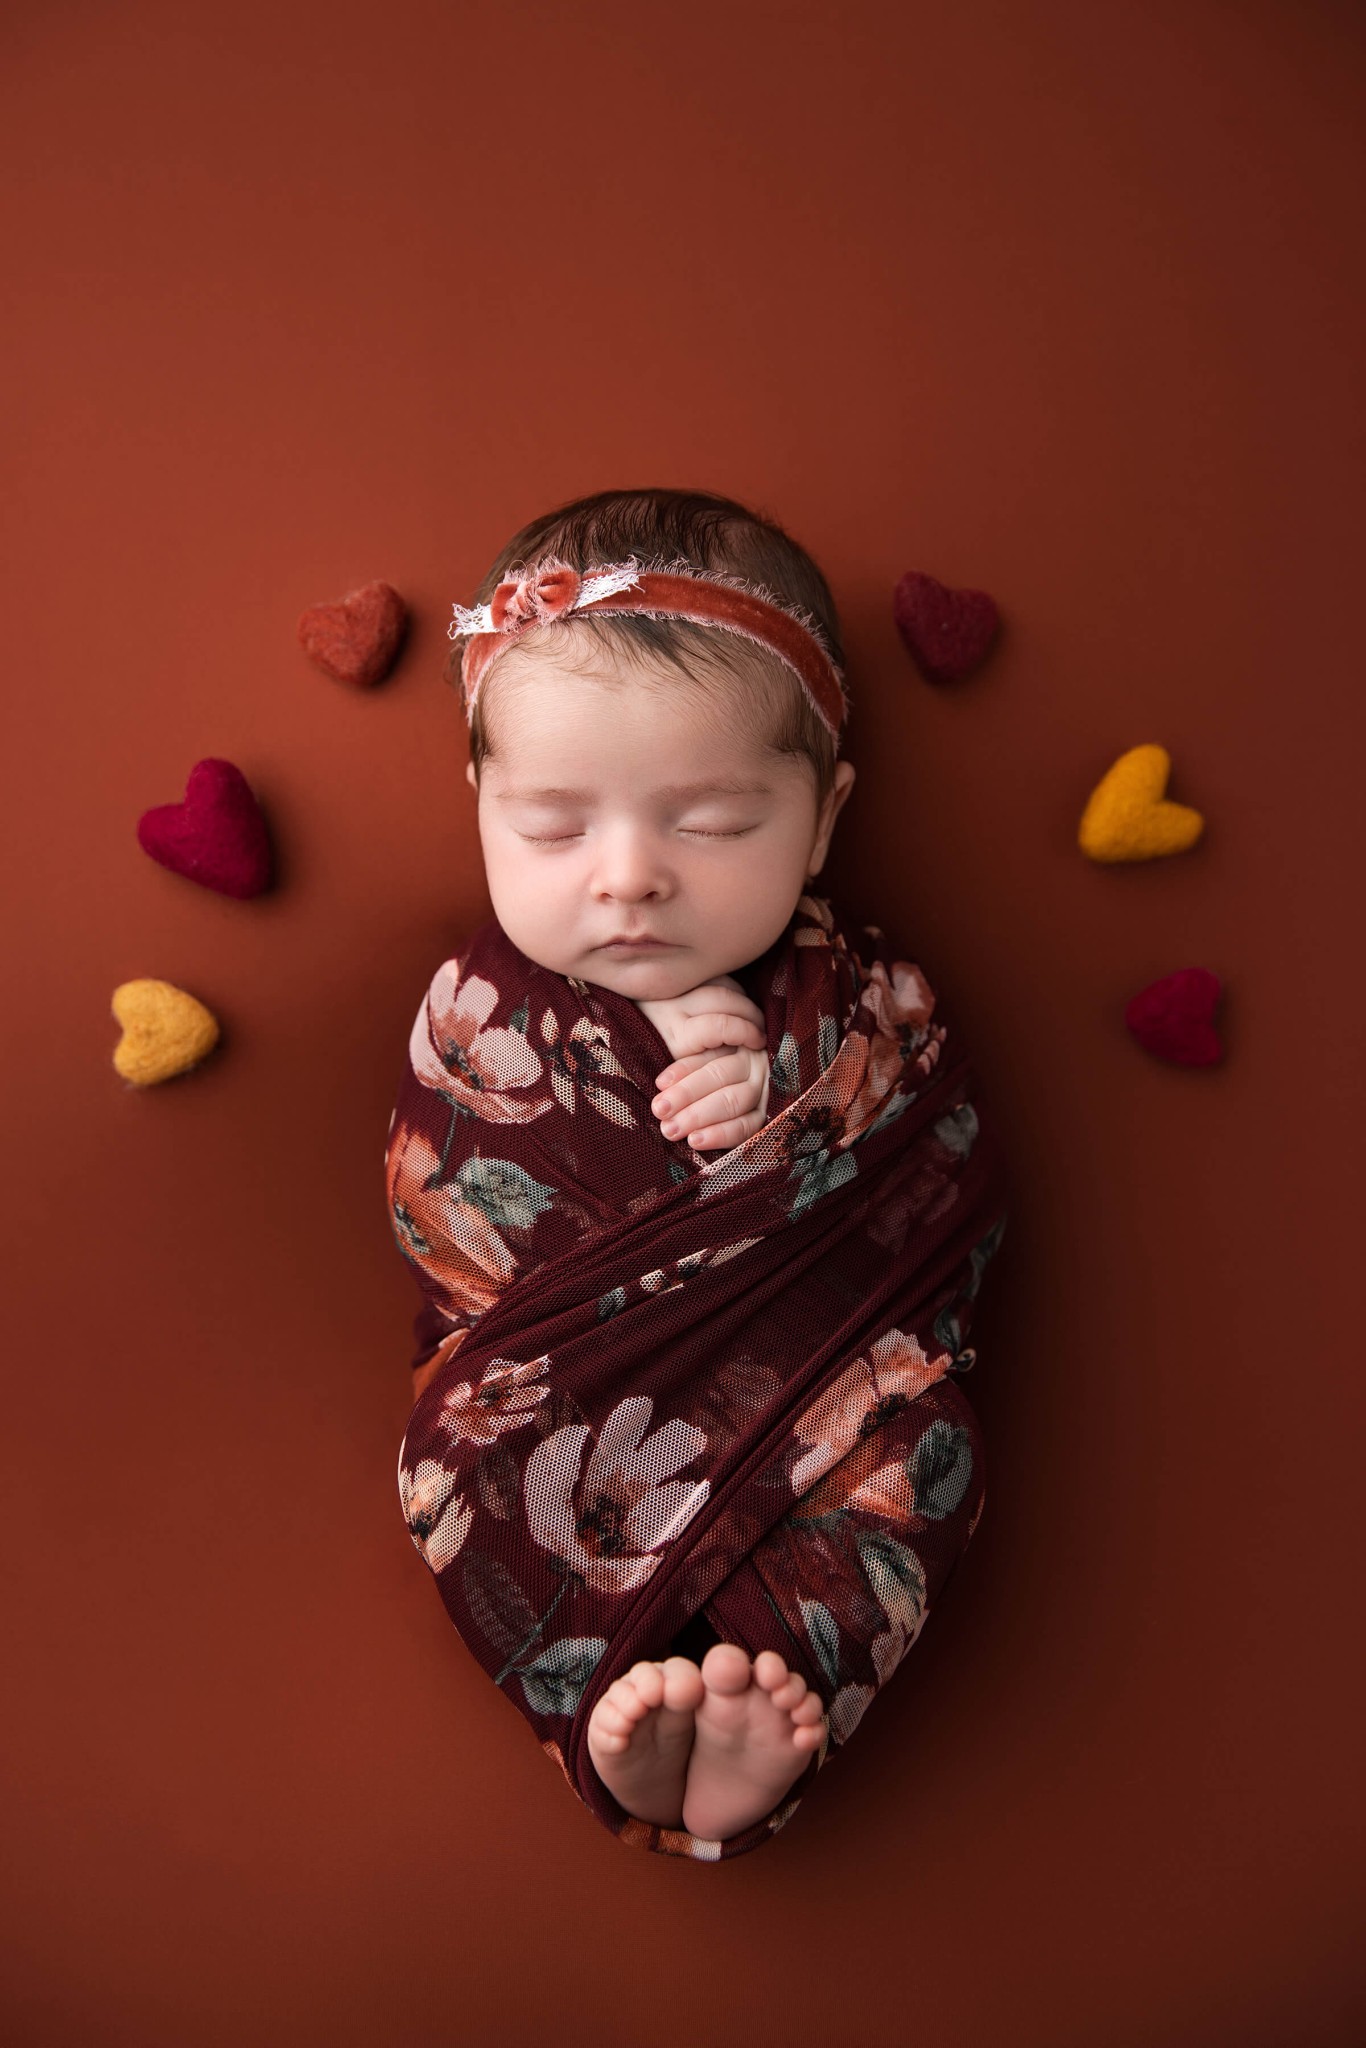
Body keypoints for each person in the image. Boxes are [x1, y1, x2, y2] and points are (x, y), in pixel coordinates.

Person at [385, 487, 1008, 1859]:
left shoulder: (866, 1003)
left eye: (715, 823)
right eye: (552, 828)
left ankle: (767, 1710)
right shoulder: (473, 1012)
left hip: (819, 1401)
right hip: (552, 1406)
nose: (628, 880)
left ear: (822, 818)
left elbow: (934, 1175)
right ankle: (614, 1712)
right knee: (457, 1469)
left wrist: (790, 1106)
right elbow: (444, 1207)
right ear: (480, 806)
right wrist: (649, 1116)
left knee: (930, 1460)